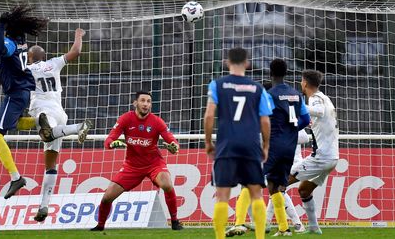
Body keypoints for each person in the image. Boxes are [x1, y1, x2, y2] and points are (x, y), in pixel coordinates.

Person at [224, 60, 310, 237]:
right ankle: (285, 228)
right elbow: (306, 120)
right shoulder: (296, 94)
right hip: (289, 148)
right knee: (276, 186)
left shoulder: (268, 95)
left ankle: (239, 224)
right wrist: (291, 130)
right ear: (286, 72)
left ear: (270, 73)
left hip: (273, 145)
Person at [204, 47, 274, 239]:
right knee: (256, 194)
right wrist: (265, 146)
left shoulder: (217, 85)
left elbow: (209, 115)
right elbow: (265, 121)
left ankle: (219, 237)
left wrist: (208, 142)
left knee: (222, 196)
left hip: (227, 145)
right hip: (250, 146)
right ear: (247, 64)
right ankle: (260, 237)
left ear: (227, 63)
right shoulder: (258, 88)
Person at [90, 91, 183, 231]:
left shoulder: (157, 122)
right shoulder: (125, 119)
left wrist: (174, 147)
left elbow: (173, 141)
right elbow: (109, 140)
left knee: (167, 184)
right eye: (143, 101)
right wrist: (112, 144)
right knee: (107, 197)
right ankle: (100, 226)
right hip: (131, 167)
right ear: (135, 103)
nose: (146, 104)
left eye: (149, 102)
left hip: (154, 164)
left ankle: (175, 222)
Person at [0, 5, 49, 199]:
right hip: (20, 92)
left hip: (15, 94)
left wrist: (1, 26)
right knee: (15, 124)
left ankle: (16, 177)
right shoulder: (21, 43)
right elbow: (3, 66)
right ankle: (39, 120)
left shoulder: (10, 42)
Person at [27, 28, 93, 222]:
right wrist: (78, 36)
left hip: (42, 111)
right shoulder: (54, 63)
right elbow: (75, 52)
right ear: (44, 56)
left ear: (30, 58)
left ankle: (77, 127)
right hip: (59, 113)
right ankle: (44, 206)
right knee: (50, 164)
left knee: (46, 135)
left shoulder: (27, 70)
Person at [287, 70, 339, 235]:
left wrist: (298, 105)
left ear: (305, 83)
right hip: (331, 157)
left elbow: (319, 111)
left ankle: (275, 225)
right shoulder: (325, 97)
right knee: (304, 190)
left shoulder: (316, 99)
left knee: (279, 181)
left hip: (321, 158)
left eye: (301, 81)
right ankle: (314, 228)